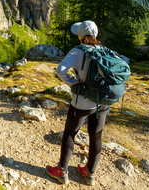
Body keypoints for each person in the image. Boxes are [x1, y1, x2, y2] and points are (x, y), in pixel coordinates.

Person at [46, 20, 108, 186]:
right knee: (96, 136)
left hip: (82, 102)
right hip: (102, 103)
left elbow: (60, 70)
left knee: (70, 133)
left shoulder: (78, 51)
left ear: (81, 36)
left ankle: (62, 170)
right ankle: (90, 173)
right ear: (95, 35)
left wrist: (73, 83)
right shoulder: (103, 50)